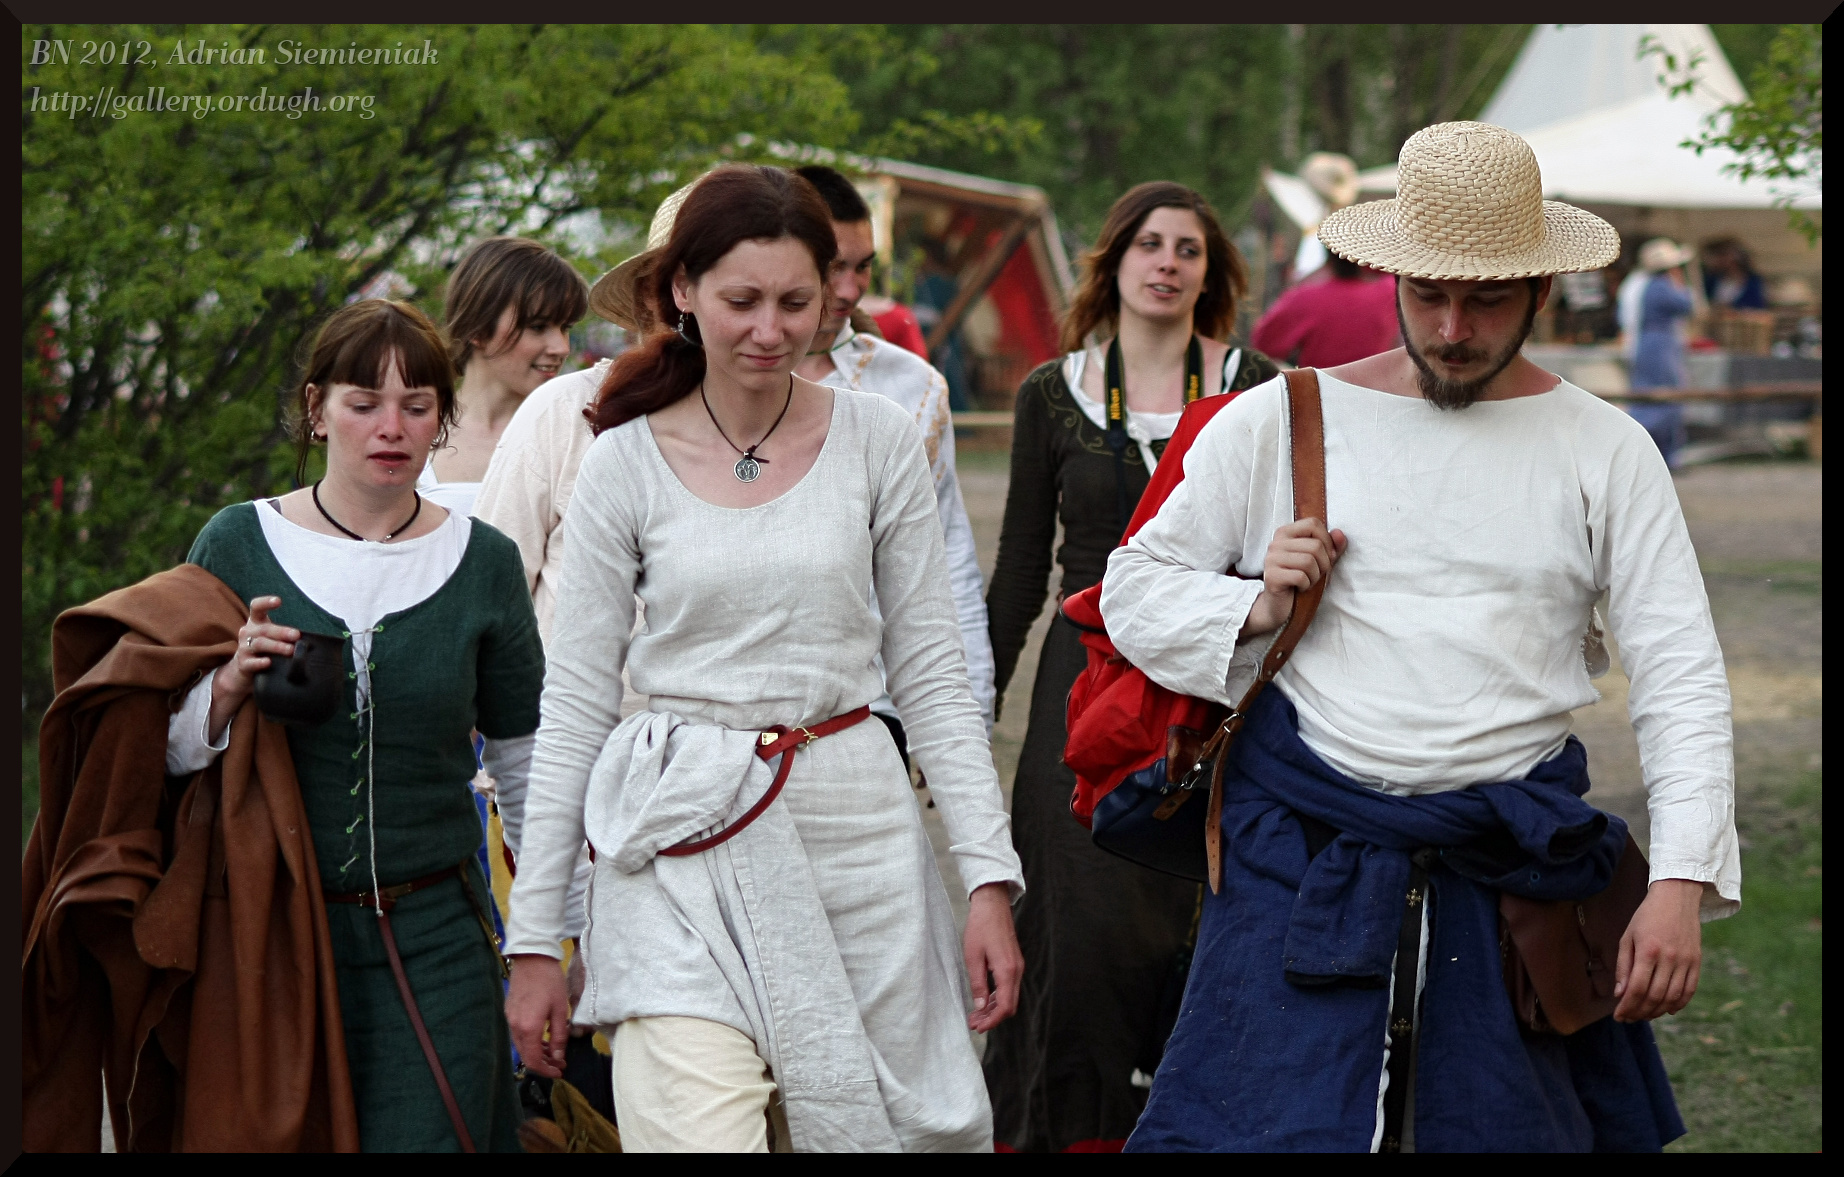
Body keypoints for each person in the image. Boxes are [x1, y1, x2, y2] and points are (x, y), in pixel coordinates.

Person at [1107, 121, 1737, 1152]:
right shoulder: (1280, 418)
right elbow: (1134, 589)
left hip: (1507, 861)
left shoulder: (1606, 450)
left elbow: (1678, 670)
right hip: (1297, 850)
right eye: (1428, 293)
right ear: (1391, 275)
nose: (1450, 327)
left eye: (1485, 299)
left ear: (1539, 289)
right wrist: (1253, 605)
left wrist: (1676, 882)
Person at [500, 165, 1024, 1153]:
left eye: (794, 301)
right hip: (676, 835)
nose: (769, 330)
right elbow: (572, 707)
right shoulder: (620, 457)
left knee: (876, 1135)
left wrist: (987, 878)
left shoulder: (879, 440)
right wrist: (536, 935)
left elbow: (932, 678)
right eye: (741, 300)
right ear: (681, 291)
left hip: (857, 836)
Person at [167, 299, 545, 1151]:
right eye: (364, 402)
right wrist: (227, 682)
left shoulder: (484, 560)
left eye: (417, 405)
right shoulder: (236, 543)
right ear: (317, 407)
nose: (391, 427)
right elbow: (159, 750)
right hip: (269, 936)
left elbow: (526, 765)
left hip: (438, 934)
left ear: (442, 418)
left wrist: (546, 943)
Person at [980, 181, 1279, 1153]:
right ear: (1112, 261)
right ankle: (1067, 1134)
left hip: (1213, 674)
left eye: (1187, 248)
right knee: (1074, 921)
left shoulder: (1257, 386)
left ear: (1210, 270)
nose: (1166, 263)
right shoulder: (1051, 392)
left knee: (1200, 910)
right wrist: (967, 717)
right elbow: (1018, 572)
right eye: (1148, 244)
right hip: (1083, 683)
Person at [792, 163, 997, 739]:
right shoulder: (710, 387)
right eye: (833, 267)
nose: (851, 289)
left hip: (874, 705)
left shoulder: (912, 387)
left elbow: (946, 553)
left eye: (862, 267)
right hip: (732, 709)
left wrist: (970, 706)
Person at [420, 236, 588, 518]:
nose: (561, 348)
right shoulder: (412, 429)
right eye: (538, 327)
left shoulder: (576, 437)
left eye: (565, 328)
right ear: (478, 328)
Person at [1251, 252, 1400, 368]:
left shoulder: (1305, 298)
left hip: (1318, 391)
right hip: (1378, 391)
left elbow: (1264, 344)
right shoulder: (1390, 291)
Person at [1700, 237, 1768, 310]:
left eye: (1721, 255)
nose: (1713, 261)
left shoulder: (1754, 282)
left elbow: (1758, 307)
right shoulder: (1710, 282)